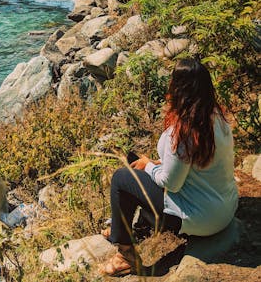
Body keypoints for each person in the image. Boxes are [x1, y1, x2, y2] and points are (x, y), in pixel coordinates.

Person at [99, 57, 238, 277]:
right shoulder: (216, 116)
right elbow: (196, 167)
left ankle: (125, 257)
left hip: (202, 219)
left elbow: (170, 184)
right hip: (225, 209)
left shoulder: (185, 130)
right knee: (139, 169)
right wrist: (158, 165)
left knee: (122, 178)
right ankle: (134, 229)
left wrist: (149, 167)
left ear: (179, 88)